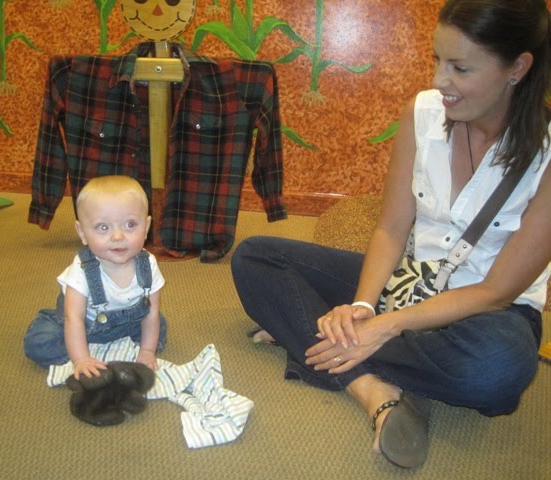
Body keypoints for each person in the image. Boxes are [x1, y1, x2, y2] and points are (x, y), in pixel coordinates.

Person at [232, 0, 551, 469]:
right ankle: (372, 389)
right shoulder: (422, 113)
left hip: (488, 312)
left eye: (460, 68)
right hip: (409, 283)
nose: (440, 80)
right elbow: (391, 227)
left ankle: (310, 339)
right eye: (437, 60)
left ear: (517, 68)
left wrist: (383, 328)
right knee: (255, 257)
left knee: (498, 368)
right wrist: (364, 308)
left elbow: (496, 292)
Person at [24, 175, 167, 378]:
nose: (117, 237)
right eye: (103, 227)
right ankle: (88, 348)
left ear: (146, 227)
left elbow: (151, 313)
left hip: (127, 324)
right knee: (40, 343)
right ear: (82, 233)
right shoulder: (82, 269)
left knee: (159, 326)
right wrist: (81, 360)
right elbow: (74, 319)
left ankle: (105, 349)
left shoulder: (148, 264)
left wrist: (147, 351)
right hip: (84, 324)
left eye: (130, 225)